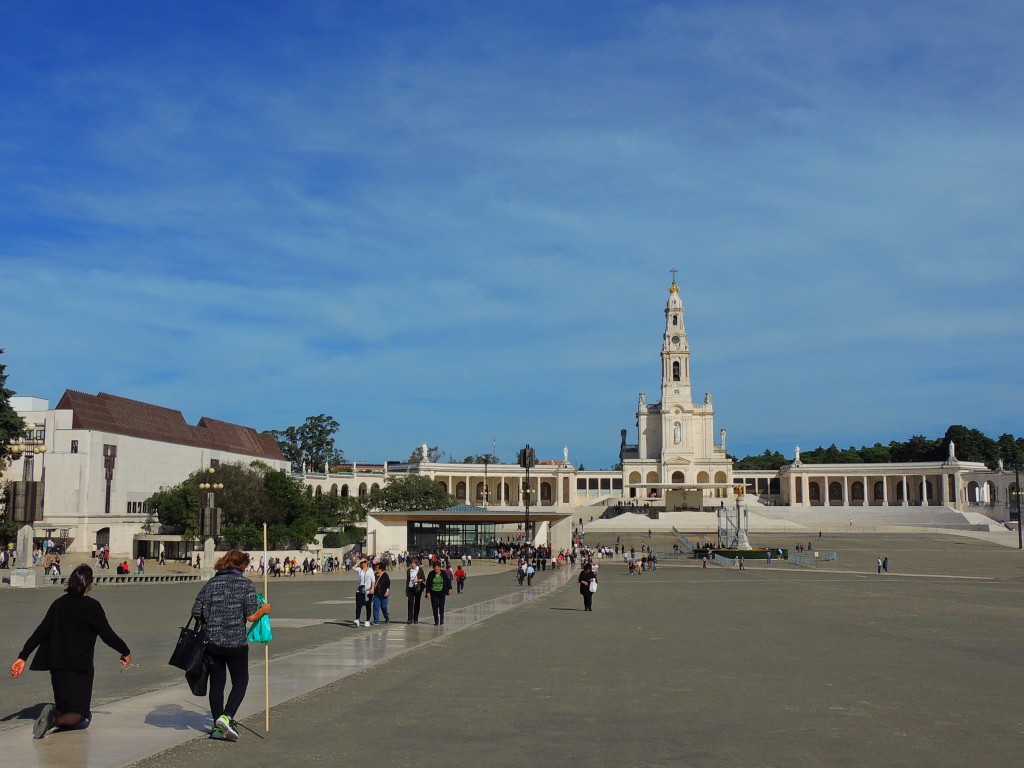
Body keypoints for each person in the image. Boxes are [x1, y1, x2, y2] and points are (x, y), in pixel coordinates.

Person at [11, 564, 132, 739]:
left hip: (57, 667)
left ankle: (56, 715)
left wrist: (23, 656)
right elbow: (107, 634)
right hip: (79, 669)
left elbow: (41, 632)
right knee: (80, 717)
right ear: (89, 583)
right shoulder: (91, 606)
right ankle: (54, 719)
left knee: (65, 707)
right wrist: (125, 651)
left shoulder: (58, 604)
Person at [190, 549, 271, 742]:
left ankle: (218, 725)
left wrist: (212, 620)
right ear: (242, 565)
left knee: (217, 683)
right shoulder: (245, 584)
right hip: (235, 643)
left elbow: (196, 611)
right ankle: (227, 716)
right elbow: (251, 616)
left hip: (212, 642)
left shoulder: (211, 583)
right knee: (241, 681)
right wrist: (265, 610)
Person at [425, 561, 452, 626]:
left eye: (438, 567)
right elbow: (428, 584)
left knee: (441, 606)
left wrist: (450, 588)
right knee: (434, 606)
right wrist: (428, 592)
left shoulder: (443, 573)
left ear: (440, 567)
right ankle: (436, 620)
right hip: (433, 592)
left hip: (442, 591)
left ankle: (441, 618)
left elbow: (448, 581)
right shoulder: (431, 574)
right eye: (435, 567)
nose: (436, 568)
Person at [354, 559, 374, 627]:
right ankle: (357, 619)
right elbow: (353, 568)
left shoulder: (370, 570)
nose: (363, 564)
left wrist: (372, 588)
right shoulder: (359, 570)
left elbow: (373, 580)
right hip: (359, 590)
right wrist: (359, 561)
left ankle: (367, 620)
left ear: (367, 563)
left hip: (368, 591)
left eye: (364, 562)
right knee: (358, 606)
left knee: (368, 606)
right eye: (362, 563)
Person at [406, 558, 426, 624]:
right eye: (411, 563)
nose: (412, 564)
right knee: (410, 603)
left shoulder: (420, 570)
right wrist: (406, 590)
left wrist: (418, 580)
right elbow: (407, 580)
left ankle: (416, 618)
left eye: (413, 563)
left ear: (416, 564)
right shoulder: (409, 570)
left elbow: (424, 578)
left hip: (417, 588)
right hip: (410, 588)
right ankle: (409, 619)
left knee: (417, 603)